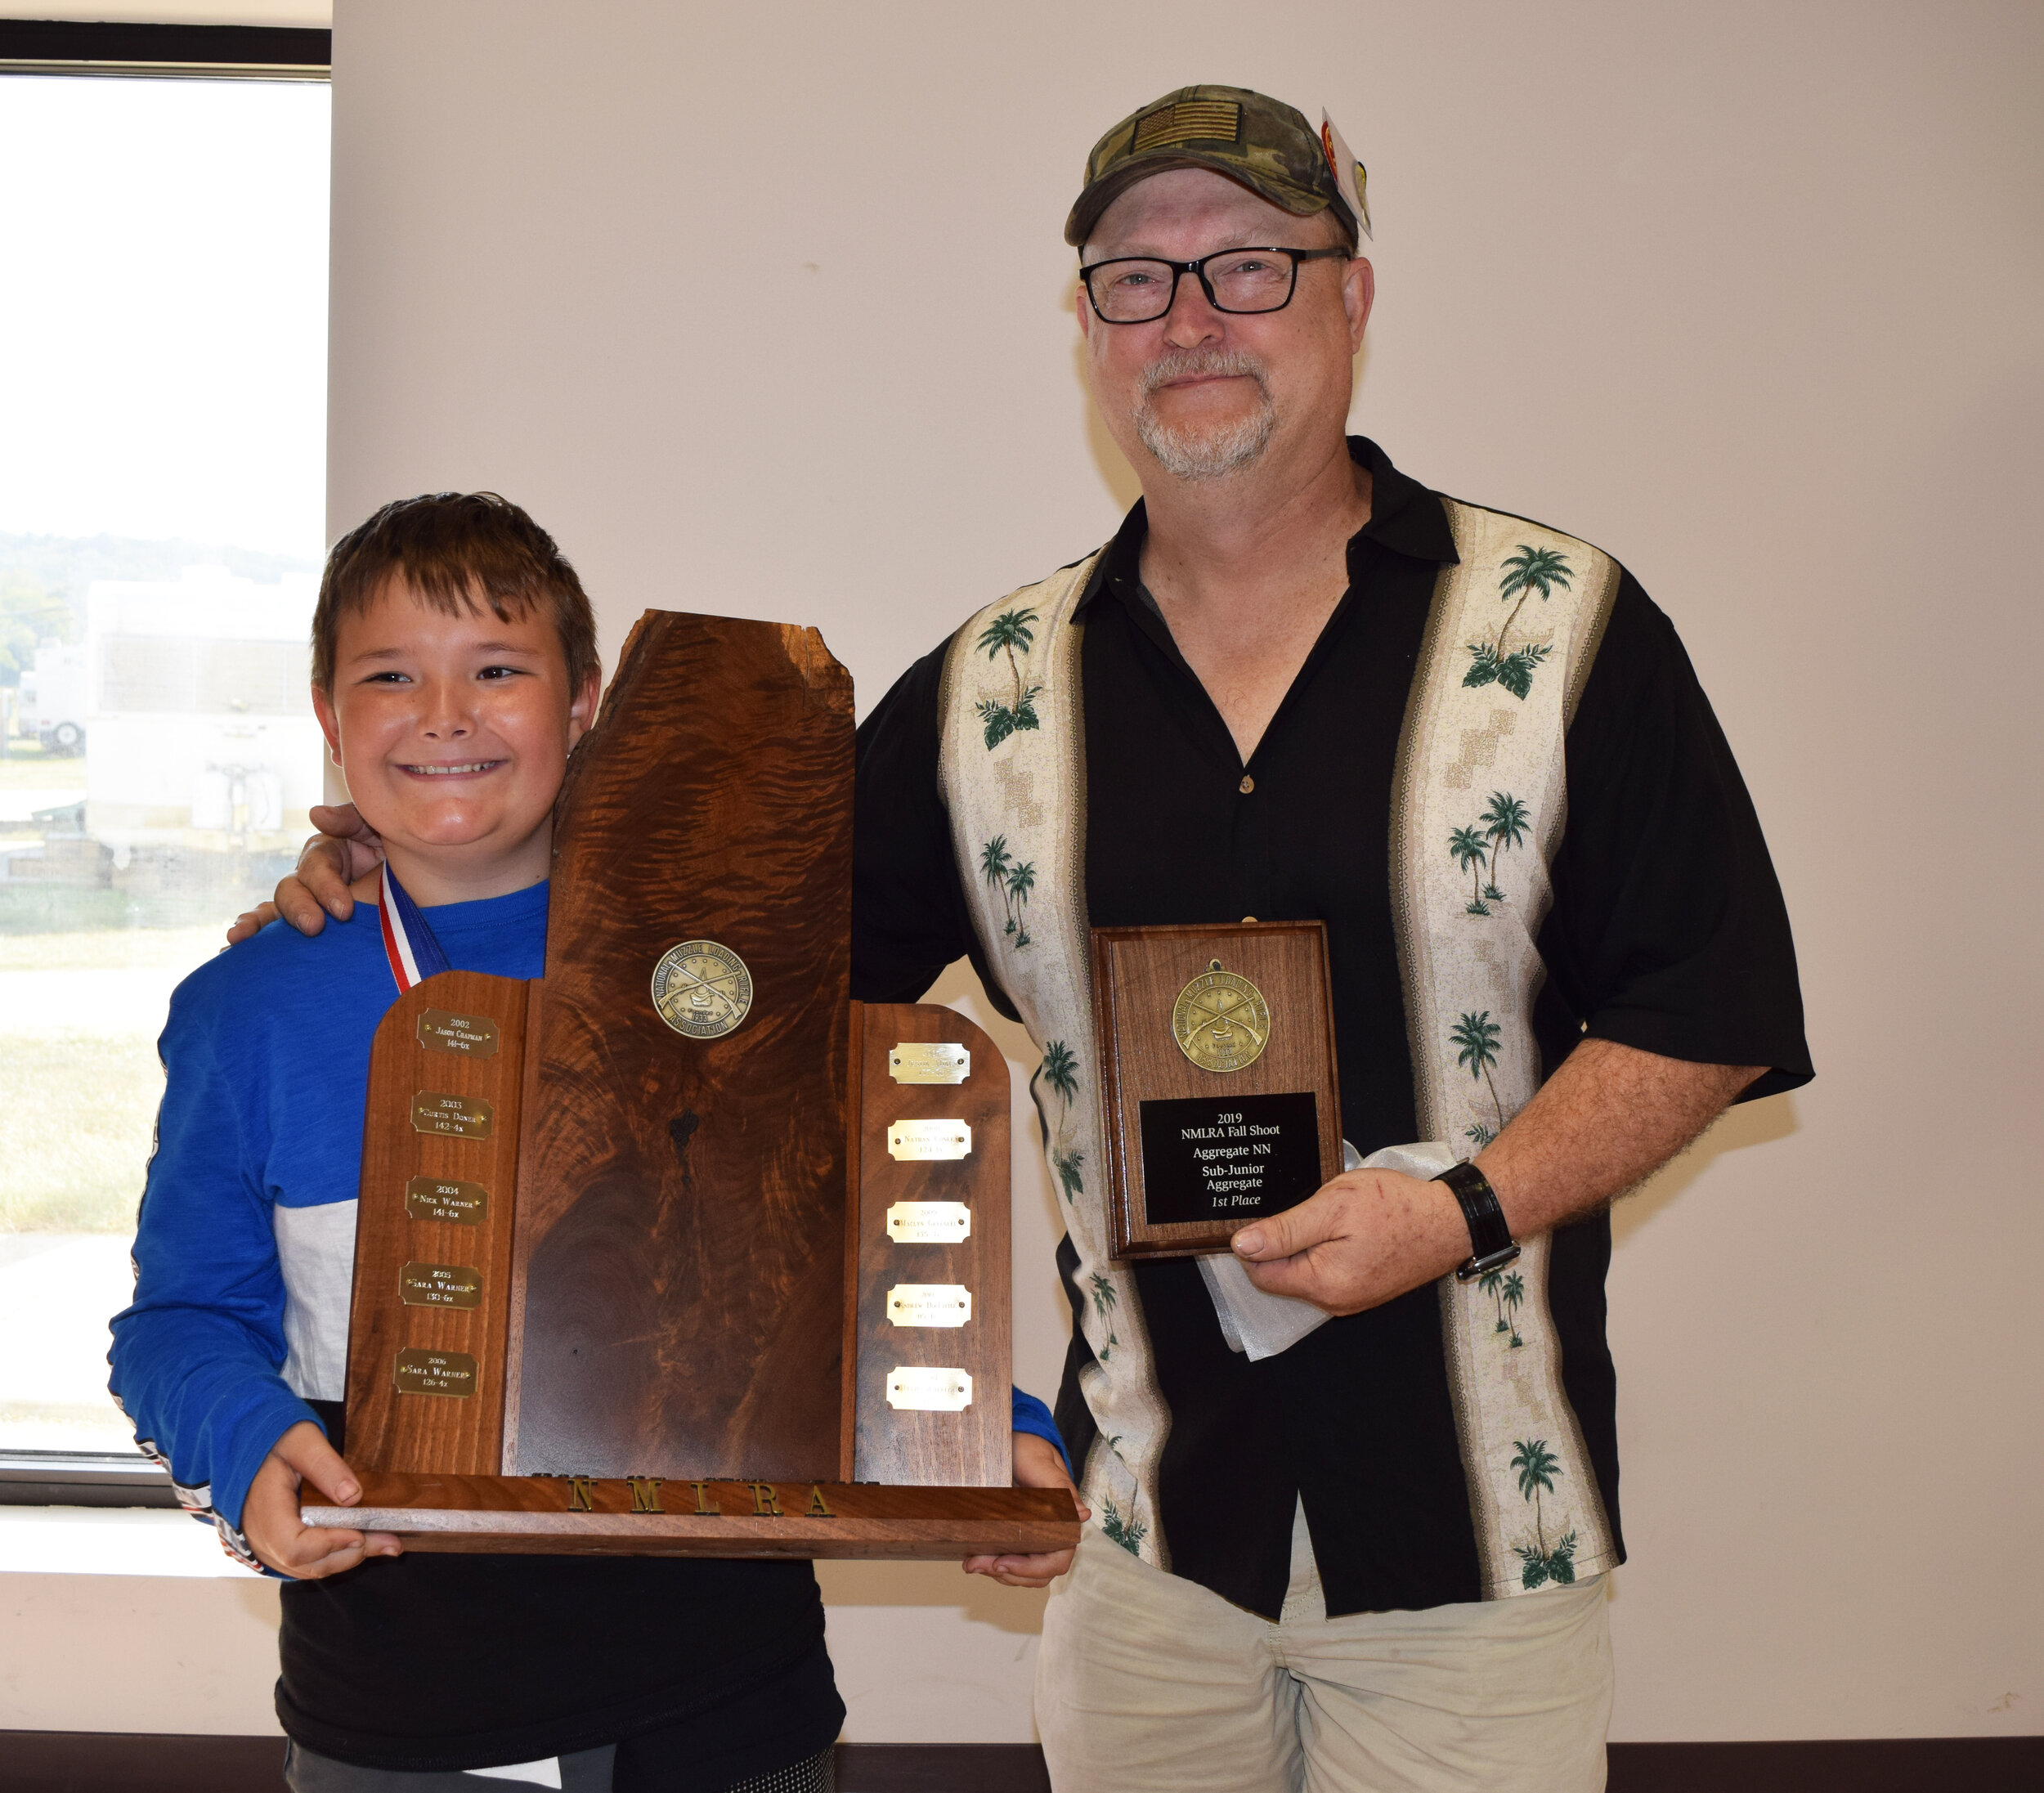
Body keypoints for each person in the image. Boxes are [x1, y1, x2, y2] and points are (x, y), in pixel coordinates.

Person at [247, 85, 1810, 1793]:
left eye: (1249, 266)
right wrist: (404, 853)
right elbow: (719, 999)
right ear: (1084, 330)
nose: (1190, 317)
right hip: (1138, 1545)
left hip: (1472, 1538)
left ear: (1350, 293)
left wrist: (1456, 1208)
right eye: (1135, 279)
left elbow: (1707, 1006)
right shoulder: (984, 693)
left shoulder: (1560, 628)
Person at [115, 495, 849, 1793]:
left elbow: (841, 1262)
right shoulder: (248, 1009)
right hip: (397, 1708)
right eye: (390, 676)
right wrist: (241, 1434)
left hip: (726, 1694)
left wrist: (986, 1423)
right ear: (330, 720)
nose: (445, 714)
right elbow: (178, 1317)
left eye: (498, 670)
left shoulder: (725, 967)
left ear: (586, 704)